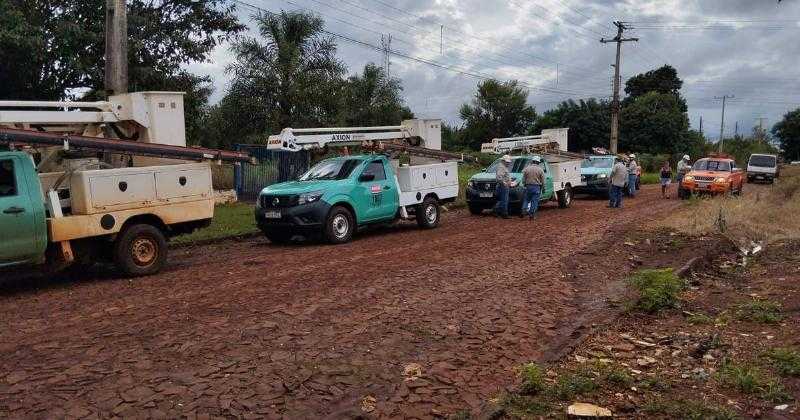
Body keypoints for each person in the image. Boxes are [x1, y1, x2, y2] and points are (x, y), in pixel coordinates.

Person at [493, 155, 512, 219]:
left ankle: (497, 210)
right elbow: (499, 177)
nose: (508, 163)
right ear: (503, 161)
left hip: (504, 185)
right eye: (507, 162)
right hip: (503, 186)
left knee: (503, 200)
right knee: (504, 200)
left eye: (508, 162)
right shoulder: (501, 167)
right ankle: (504, 214)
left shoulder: (503, 167)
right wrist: (504, 183)